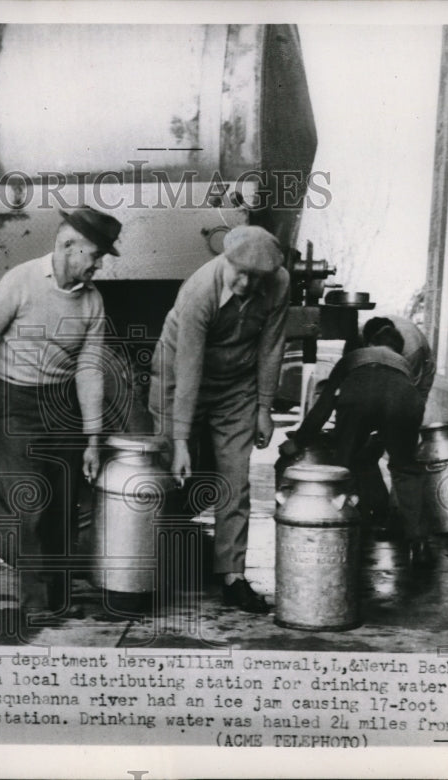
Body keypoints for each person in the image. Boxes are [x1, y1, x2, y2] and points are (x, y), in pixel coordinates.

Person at [0, 206, 122, 635]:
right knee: (29, 505)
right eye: (95, 255)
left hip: (61, 404)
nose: (98, 265)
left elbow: (89, 369)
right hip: (13, 400)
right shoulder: (21, 281)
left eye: (103, 257)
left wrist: (92, 439)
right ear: (68, 246)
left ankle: (62, 596)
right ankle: (36, 603)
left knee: (63, 504)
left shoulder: (92, 301)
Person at [148, 225, 290, 613]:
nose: (245, 283)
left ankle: (232, 576)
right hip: (179, 375)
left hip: (235, 385)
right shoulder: (199, 290)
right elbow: (189, 367)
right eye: (239, 272)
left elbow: (272, 345)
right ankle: (147, 566)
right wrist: (179, 440)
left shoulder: (278, 284)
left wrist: (263, 408)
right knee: (166, 472)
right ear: (225, 259)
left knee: (235, 478)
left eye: (255, 277)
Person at [280, 321, 427, 556]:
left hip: (360, 396)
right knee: (406, 469)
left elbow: (324, 406)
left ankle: (343, 530)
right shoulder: (403, 364)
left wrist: (298, 441)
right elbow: (406, 406)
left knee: (343, 462)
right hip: (405, 399)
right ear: (397, 349)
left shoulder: (355, 357)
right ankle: (418, 541)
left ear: (369, 343)